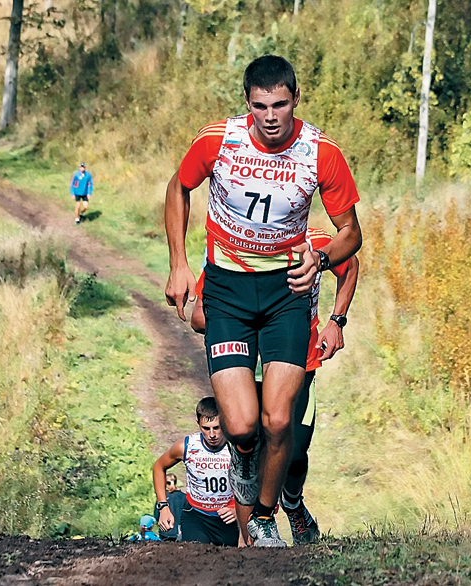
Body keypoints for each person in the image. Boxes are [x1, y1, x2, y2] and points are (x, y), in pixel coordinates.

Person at [164, 54, 362, 547]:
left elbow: (351, 234)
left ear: (296, 99)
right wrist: (179, 263)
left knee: (279, 419)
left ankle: (265, 515)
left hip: (286, 292)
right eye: (260, 106)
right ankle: (244, 456)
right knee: (242, 426)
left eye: (280, 105)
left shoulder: (321, 153)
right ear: (247, 103)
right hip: (228, 289)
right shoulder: (219, 140)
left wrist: (320, 258)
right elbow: (179, 187)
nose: (271, 117)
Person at [191, 227, 360, 545]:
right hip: (245, 366)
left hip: (299, 362)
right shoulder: (236, 251)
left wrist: (336, 321)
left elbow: (350, 263)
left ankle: (293, 504)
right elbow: (198, 316)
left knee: (293, 454)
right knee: (247, 453)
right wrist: (236, 317)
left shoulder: (314, 242)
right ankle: (256, 549)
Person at [152, 397, 239, 546]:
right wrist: (163, 507)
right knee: (195, 556)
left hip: (228, 518)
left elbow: (257, 479)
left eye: (217, 427)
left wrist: (239, 510)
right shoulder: (187, 446)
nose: (212, 434)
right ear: (198, 423)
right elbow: (159, 467)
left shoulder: (236, 445)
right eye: (206, 428)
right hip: (196, 517)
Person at [153, 473, 187, 541]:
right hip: (180, 533)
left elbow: (156, 515)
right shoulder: (184, 497)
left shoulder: (162, 499)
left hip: (165, 532)